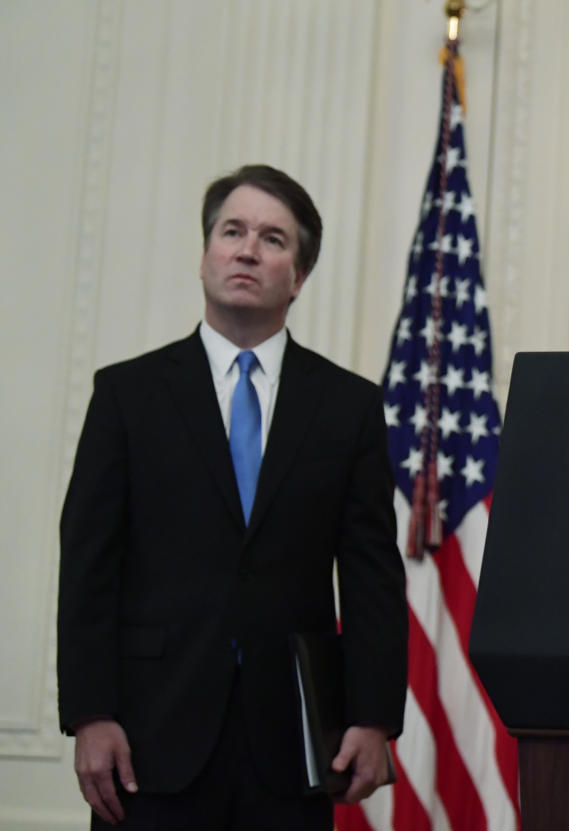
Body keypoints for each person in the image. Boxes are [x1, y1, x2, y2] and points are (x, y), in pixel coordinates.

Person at [58, 164, 407, 828]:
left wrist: (372, 714)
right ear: (205, 255)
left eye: (273, 239)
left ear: (297, 276)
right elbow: (88, 565)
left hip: (293, 743)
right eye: (232, 231)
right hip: (148, 736)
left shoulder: (348, 407)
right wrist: (89, 711)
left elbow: (370, 575)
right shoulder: (127, 396)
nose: (248, 249)